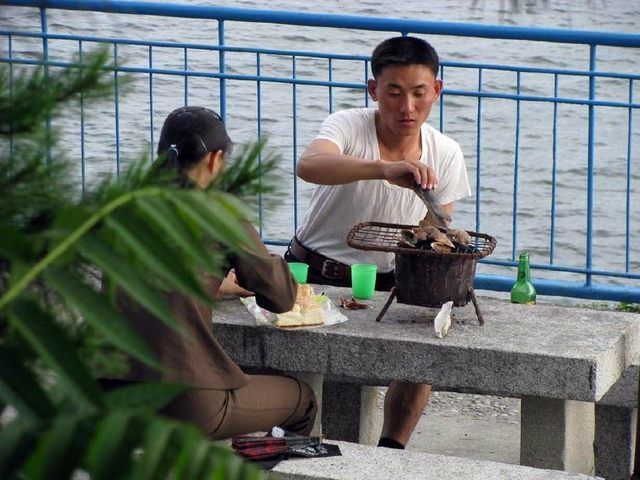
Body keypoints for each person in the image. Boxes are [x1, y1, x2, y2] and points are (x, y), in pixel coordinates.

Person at [285, 36, 471, 448]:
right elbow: (309, 165)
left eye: (420, 93)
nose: (408, 108)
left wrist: (434, 237)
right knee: (293, 372)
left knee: (421, 361)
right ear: (374, 90)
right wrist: (383, 169)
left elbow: (437, 224)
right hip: (317, 270)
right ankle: (293, 450)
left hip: (392, 280)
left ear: (436, 90)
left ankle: (390, 456)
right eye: (394, 93)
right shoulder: (347, 125)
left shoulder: (446, 152)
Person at [115, 106, 317, 439]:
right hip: (184, 402)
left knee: (250, 376)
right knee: (301, 397)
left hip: (110, 392)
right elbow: (281, 297)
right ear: (215, 159)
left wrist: (217, 284)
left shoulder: (124, 204)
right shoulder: (219, 212)